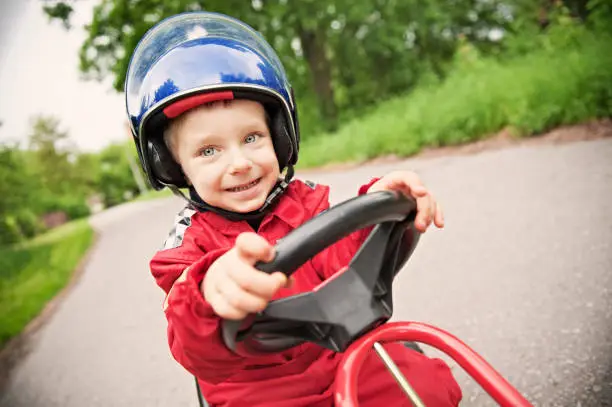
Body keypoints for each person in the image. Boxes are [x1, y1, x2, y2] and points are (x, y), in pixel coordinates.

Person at [125, 11, 462, 407]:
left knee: (428, 385)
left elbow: (347, 265)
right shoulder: (185, 251)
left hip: (341, 356)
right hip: (261, 393)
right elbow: (192, 347)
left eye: (252, 138)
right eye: (209, 150)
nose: (239, 163)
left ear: (281, 138)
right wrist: (209, 295)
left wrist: (386, 206)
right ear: (174, 166)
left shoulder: (307, 203)